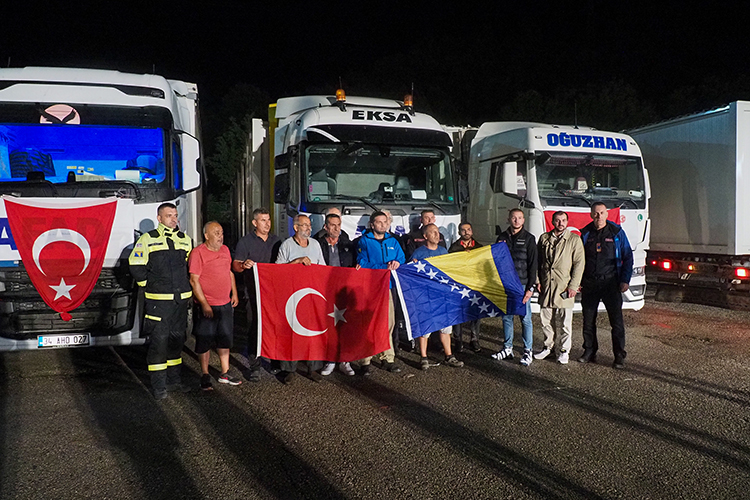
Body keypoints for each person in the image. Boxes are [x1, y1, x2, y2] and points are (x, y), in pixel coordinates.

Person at [129, 203, 193, 400]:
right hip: (159, 302)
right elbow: (135, 263)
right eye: (168, 216)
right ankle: (159, 387)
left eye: (175, 215)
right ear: (159, 218)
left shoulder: (185, 240)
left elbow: (190, 266)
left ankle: (174, 381)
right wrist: (148, 284)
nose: (173, 219)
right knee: (159, 343)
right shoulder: (148, 239)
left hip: (180, 301)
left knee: (176, 341)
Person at [579, 202, 633, 369]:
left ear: (607, 214)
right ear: (591, 214)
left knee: (616, 322)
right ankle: (589, 351)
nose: (599, 216)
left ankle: (619, 355)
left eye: (602, 213)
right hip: (590, 284)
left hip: (611, 283)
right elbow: (577, 259)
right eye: (596, 213)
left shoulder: (617, 232)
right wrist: (578, 281)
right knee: (588, 321)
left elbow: (628, 257)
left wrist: (625, 280)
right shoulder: (585, 233)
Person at [189, 221, 241, 390]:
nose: (220, 236)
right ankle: (204, 374)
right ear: (206, 235)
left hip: (225, 304)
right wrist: (204, 304)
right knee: (204, 340)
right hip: (208, 305)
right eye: (216, 233)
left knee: (224, 339)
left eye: (222, 232)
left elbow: (229, 272)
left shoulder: (225, 250)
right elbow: (194, 280)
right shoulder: (198, 253)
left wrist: (234, 292)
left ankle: (225, 372)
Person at [276, 214, 326, 383]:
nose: (308, 228)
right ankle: (290, 369)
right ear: (296, 227)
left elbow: (323, 269)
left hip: (312, 295)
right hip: (293, 295)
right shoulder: (287, 245)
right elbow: (277, 271)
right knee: (292, 332)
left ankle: (313, 368)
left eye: (310, 225)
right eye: (304, 225)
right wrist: (296, 262)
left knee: (312, 333)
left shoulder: (316, 244)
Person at [232, 208, 281, 382]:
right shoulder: (245, 242)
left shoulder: (277, 241)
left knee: (275, 328)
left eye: (268, 220)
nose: (267, 224)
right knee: (254, 329)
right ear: (254, 223)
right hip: (253, 294)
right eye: (263, 220)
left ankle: (276, 362)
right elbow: (235, 265)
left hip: (274, 294)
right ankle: (255, 366)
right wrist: (243, 265)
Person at [411, 224, 464, 370]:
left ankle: (449, 355)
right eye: (433, 232)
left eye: (438, 232)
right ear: (425, 236)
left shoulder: (443, 251)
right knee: (425, 328)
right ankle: (423, 357)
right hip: (426, 296)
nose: (437, 234)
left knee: (445, 327)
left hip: (442, 296)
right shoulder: (418, 254)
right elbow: (411, 276)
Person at [356, 211, 404, 375]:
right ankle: (365, 361)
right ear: (372, 225)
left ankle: (387, 358)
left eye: (385, 222)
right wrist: (384, 267)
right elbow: (363, 263)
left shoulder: (393, 241)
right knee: (369, 323)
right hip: (370, 288)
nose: (383, 225)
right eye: (379, 222)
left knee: (388, 323)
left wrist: (397, 263)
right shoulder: (364, 241)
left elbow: (402, 259)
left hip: (388, 287)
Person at [534, 211, 584, 365]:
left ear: (567, 221)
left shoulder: (574, 240)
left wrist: (573, 286)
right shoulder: (544, 238)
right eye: (557, 220)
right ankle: (548, 347)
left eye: (563, 220)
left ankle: (564, 350)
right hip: (547, 285)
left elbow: (579, 264)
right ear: (553, 222)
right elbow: (538, 261)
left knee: (565, 322)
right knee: (546, 320)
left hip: (564, 287)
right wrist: (538, 280)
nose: (560, 223)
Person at [491, 209, 537, 367]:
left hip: (522, 284)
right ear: (508, 219)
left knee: (525, 318)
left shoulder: (529, 239)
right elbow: (495, 261)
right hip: (506, 284)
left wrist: (530, 288)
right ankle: (507, 348)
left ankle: (527, 350)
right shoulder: (502, 238)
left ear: (523, 220)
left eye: (519, 218)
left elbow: (533, 265)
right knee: (506, 317)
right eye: (513, 218)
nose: (516, 221)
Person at [314, 213, 357, 377]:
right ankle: (330, 360)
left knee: (345, 326)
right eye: (332, 225)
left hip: (343, 291)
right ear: (325, 227)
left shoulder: (348, 244)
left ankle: (345, 360)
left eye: (338, 224)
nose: (336, 228)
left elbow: (355, 264)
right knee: (328, 326)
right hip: (325, 290)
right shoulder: (317, 244)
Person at [448, 221, 483, 353]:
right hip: (459, 284)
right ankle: (458, 340)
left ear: (472, 231)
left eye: (468, 229)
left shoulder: (480, 247)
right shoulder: (454, 248)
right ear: (459, 232)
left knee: (475, 313)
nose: (466, 232)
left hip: (475, 284)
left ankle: (474, 339)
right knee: (458, 313)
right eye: (463, 230)